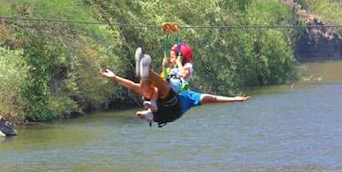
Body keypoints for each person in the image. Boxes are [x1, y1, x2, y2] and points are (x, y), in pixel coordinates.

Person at [100, 48, 249, 127]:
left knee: (162, 88)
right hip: (160, 113)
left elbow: (213, 98)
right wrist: (114, 77)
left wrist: (235, 99)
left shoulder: (188, 95)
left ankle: (147, 73)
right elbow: (133, 86)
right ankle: (146, 79)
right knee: (147, 88)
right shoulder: (172, 80)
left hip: (172, 111)